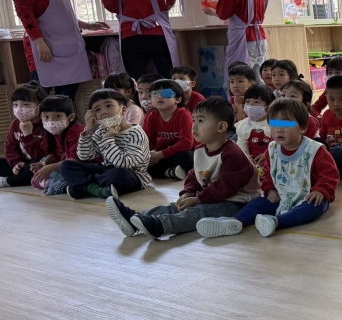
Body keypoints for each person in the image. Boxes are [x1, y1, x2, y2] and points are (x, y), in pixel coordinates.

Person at [106, 97, 260, 240]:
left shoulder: (232, 154)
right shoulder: (200, 149)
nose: (194, 126)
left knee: (197, 212)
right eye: (194, 120)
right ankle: (135, 218)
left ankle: (161, 226)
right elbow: (195, 175)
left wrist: (198, 199)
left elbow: (225, 187)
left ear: (221, 126)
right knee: (176, 206)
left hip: (236, 203)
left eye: (201, 121)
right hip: (211, 196)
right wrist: (189, 192)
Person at [194, 98, 338, 239]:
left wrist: (320, 190)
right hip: (281, 196)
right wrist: (270, 190)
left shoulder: (315, 150)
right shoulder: (272, 149)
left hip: (309, 196)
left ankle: (276, 222)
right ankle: (234, 222)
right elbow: (268, 174)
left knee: (313, 207)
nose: (279, 129)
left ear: (302, 127)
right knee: (256, 204)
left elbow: (330, 175)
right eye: (274, 124)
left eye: (286, 124)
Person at [12, 0, 107, 100]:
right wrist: (40, 42)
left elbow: (63, 16)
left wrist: (87, 25)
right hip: (46, 48)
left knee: (66, 100)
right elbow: (25, 13)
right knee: (37, 98)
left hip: (69, 49)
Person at [59, 88, 151, 198]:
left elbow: (124, 164)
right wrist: (87, 131)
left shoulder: (136, 133)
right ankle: (97, 189)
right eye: (98, 110)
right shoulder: (102, 130)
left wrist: (107, 139)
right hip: (107, 171)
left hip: (132, 174)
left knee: (119, 174)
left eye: (109, 106)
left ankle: (85, 187)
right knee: (66, 166)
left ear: (123, 110)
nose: (104, 112)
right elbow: (85, 155)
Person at [0, 83, 50, 189]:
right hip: (23, 163)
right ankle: (21, 176)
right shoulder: (16, 124)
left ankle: (6, 181)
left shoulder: (47, 125)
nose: (19, 109)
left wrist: (28, 135)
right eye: (15, 104)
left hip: (37, 162)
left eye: (25, 104)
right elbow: (10, 147)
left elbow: (40, 154)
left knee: (35, 166)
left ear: (40, 105)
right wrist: (16, 163)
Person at [143, 79, 195, 180]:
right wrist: (150, 155)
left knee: (187, 157)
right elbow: (149, 141)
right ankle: (171, 172)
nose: (159, 96)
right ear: (151, 100)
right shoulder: (152, 116)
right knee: (146, 164)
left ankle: (170, 171)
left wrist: (160, 155)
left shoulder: (183, 115)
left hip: (188, 152)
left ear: (178, 99)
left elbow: (186, 144)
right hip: (167, 153)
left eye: (166, 93)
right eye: (154, 94)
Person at [31, 94, 83, 194]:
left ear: (71, 117)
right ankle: (53, 182)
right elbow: (57, 152)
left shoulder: (76, 131)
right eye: (46, 117)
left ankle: (60, 184)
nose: (51, 121)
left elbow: (75, 161)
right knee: (37, 174)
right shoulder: (55, 132)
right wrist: (44, 164)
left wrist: (49, 168)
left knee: (61, 177)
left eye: (58, 116)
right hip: (66, 163)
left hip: (84, 165)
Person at [235, 83, 274, 173]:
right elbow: (242, 144)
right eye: (248, 102)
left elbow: (280, 142)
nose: (251, 106)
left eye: (256, 102)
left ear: (269, 106)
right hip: (251, 162)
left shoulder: (275, 122)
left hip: (271, 160)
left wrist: (267, 154)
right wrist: (247, 157)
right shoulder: (244, 124)